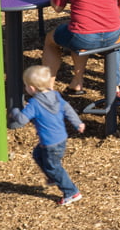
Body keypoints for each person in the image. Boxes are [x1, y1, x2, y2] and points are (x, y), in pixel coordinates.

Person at [8, 65, 85, 206]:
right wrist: (78, 123)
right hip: (60, 138)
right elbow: (67, 109)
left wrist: (14, 111)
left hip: (50, 143)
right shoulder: (55, 95)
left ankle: (71, 192)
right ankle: (53, 177)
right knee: (37, 154)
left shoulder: (34, 104)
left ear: (31, 88)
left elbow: (22, 120)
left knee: (53, 167)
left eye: (26, 85)